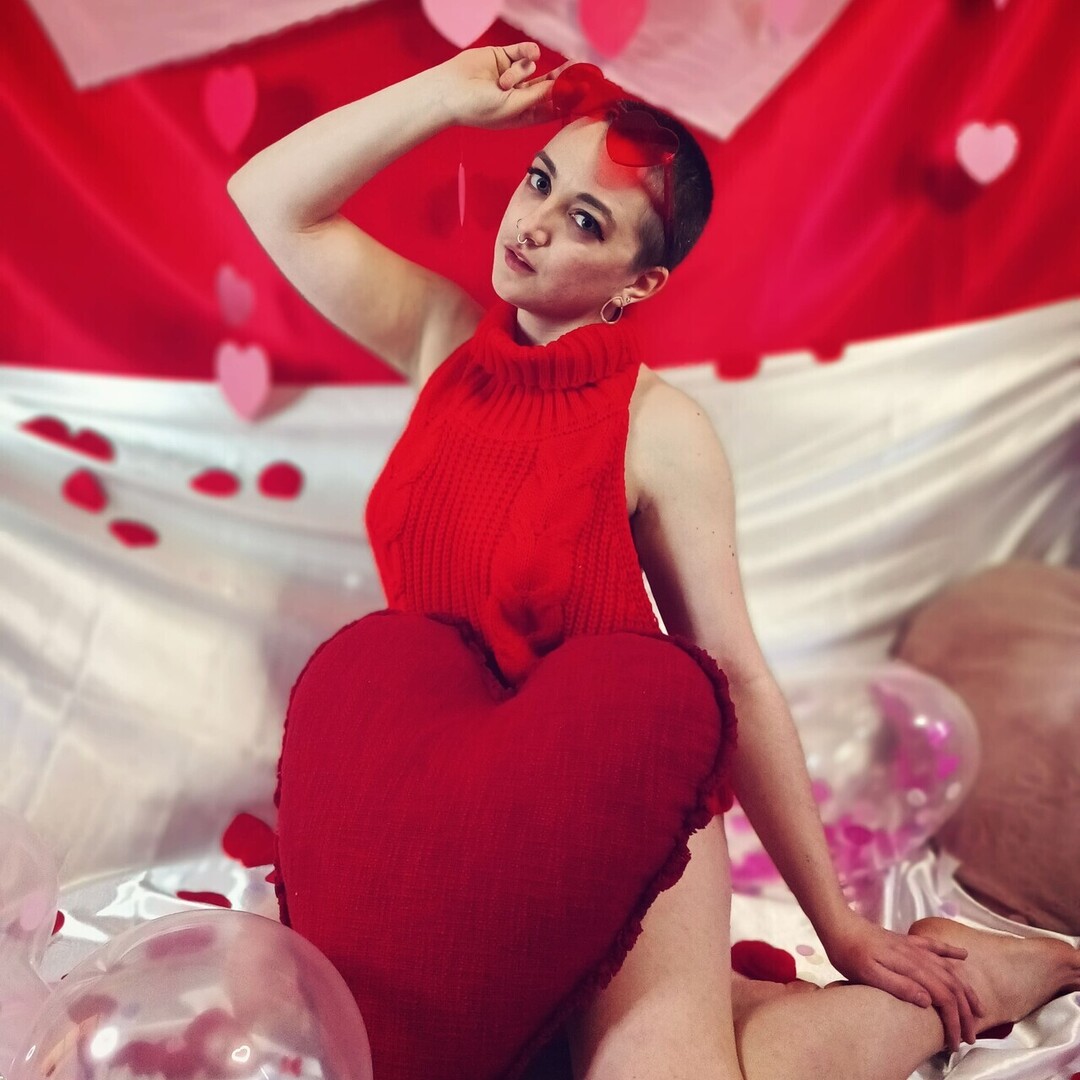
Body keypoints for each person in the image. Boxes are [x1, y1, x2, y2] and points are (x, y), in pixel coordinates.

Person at [227, 42, 1080, 1080]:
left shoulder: (659, 429)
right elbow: (270, 198)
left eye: (587, 221)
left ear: (640, 284)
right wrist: (445, 96)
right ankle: (709, 1005)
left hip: (613, 799)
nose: (533, 223)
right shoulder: (442, 341)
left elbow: (736, 675)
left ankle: (988, 980)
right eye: (540, 181)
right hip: (451, 803)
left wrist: (843, 925)